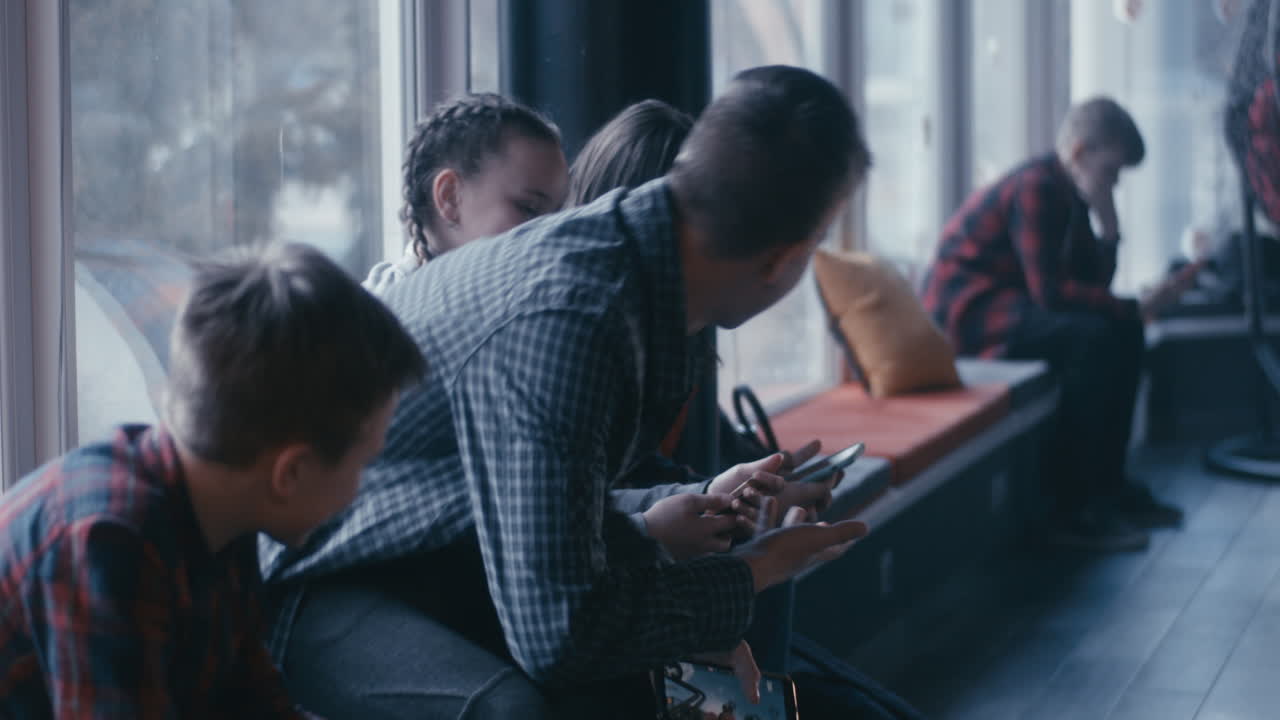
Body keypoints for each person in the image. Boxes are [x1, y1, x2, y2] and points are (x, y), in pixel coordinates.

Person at [262, 65, 873, 719]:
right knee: (512, 712)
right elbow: (562, 634)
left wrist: (690, 512)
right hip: (320, 575)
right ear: (782, 258)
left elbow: (550, 524)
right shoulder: (572, 316)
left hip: (441, 556)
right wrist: (755, 569)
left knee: (723, 684)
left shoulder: (627, 274)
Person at [0, 243, 425, 717]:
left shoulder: (224, 516)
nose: (359, 489)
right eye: (363, 464)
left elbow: (256, 700)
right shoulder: (106, 539)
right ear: (291, 473)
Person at [921, 97, 1183, 552]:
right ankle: (1072, 509)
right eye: (1111, 171)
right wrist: (1127, 306)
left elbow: (1090, 283)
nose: (1114, 183)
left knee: (1122, 332)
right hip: (972, 313)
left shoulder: (1071, 194)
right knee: (1095, 338)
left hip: (1013, 307)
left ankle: (1108, 488)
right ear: (1079, 152)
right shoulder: (1037, 186)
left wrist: (1110, 229)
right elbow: (1052, 293)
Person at [363, 92, 570, 296]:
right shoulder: (384, 313)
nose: (551, 232)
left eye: (558, 214)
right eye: (530, 209)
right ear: (450, 197)